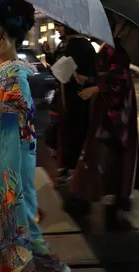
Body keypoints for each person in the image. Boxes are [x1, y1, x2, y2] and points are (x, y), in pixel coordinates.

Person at [0, 0, 70, 271]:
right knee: (13, 214)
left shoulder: (15, 71)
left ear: (13, 34)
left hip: (15, 153)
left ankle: (49, 266)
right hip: (3, 149)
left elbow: (23, 115)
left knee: (21, 214)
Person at [66, 34, 139, 223]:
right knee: (100, 155)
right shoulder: (107, 47)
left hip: (113, 112)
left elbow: (120, 81)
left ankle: (93, 198)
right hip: (105, 108)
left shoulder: (115, 49)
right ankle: (98, 197)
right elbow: (107, 78)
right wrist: (90, 81)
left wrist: (96, 88)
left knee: (103, 155)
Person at [51, 23, 97, 186]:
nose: (57, 29)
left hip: (78, 97)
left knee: (76, 133)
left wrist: (84, 79)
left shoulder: (80, 45)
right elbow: (58, 69)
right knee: (66, 132)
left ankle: (74, 169)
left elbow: (92, 73)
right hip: (67, 97)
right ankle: (68, 167)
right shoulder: (68, 44)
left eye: (59, 25)